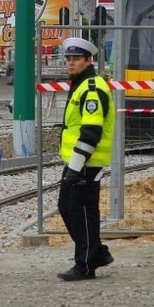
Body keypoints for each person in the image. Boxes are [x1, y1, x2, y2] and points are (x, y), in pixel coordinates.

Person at [56, 36, 115, 281]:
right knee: (69, 207)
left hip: (85, 163)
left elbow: (91, 131)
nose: (71, 63)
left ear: (88, 60)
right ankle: (97, 252)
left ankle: (86, 264)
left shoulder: (92, 88)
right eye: (68, 59)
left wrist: (76, 166)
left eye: (76, 59)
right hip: (79, 162)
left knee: (80, 210)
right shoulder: (81, 83)